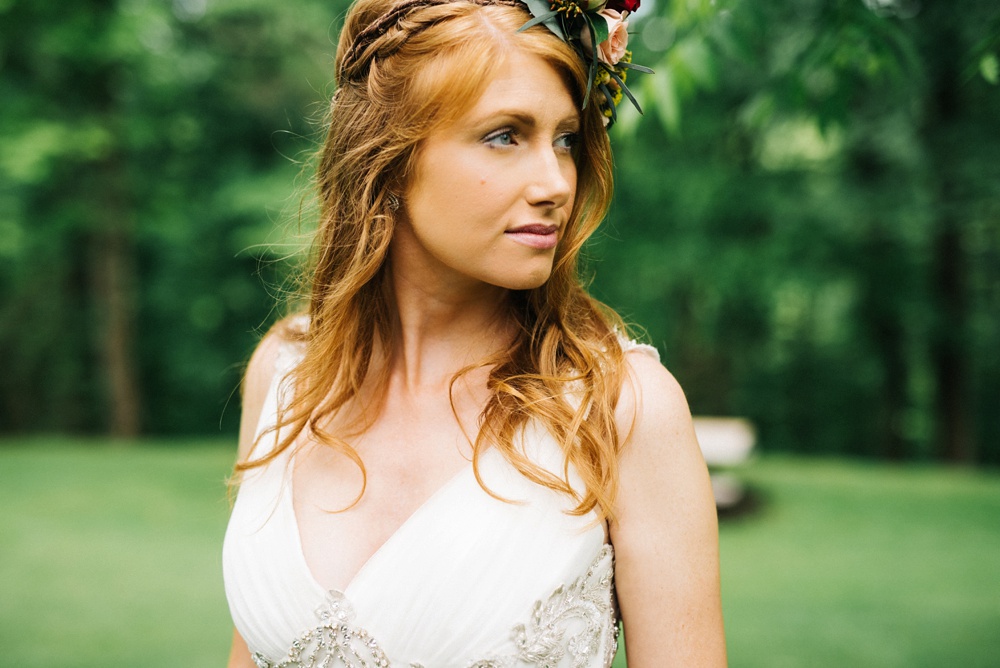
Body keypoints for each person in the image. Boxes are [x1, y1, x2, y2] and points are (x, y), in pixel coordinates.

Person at [222, 0, 726, 665]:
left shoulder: (623, 409)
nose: (555, 183)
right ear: (389, 159)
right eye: (504, 135)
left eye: (567, 140)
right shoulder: (287, 373)